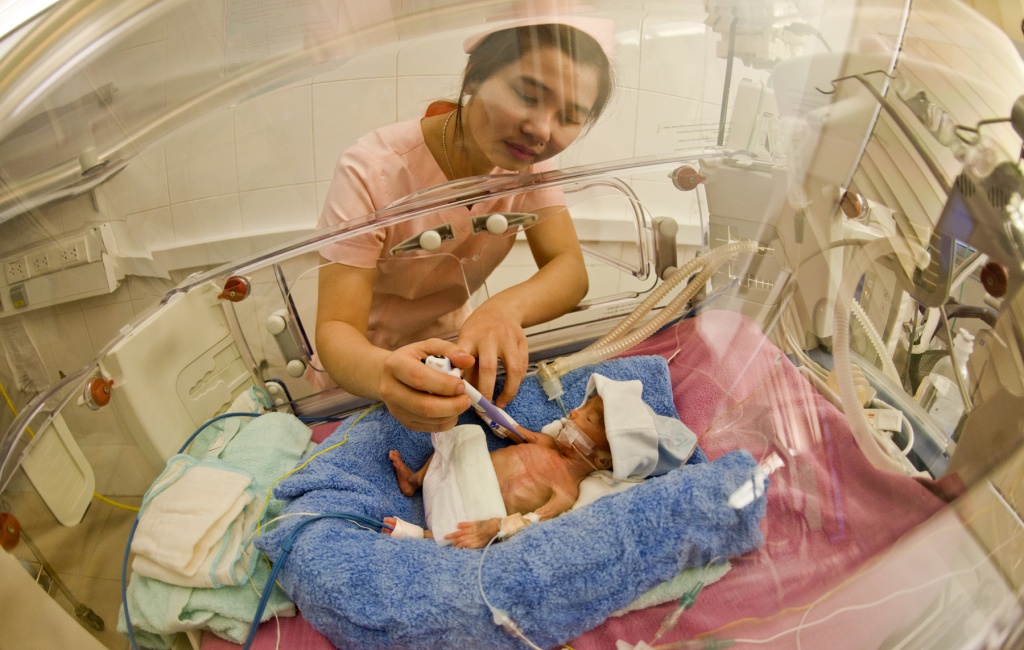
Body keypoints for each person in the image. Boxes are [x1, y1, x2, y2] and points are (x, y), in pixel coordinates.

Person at [313, 19, 616, 433]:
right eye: (527, 95)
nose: (541, 130)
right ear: (475, 75)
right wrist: (386, 374)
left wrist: (501, 311)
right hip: (361, 376)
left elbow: (569, 269)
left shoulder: (529, 165)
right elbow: (336, 329)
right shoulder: (371, 170)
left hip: (454, 358)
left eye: (569, 116)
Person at [384, 373, 698, 548]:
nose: (573, 413)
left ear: (602, 457)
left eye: (588, 417)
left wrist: (495, 526)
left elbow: (530, 523)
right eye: (582, 407)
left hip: (465, 514)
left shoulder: (566, 493)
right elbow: (506, 427)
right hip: (450, 477)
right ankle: (415, 480)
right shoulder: (547, 443)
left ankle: (421, 536)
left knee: (469, 535)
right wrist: (472, 396)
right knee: (467, 436)